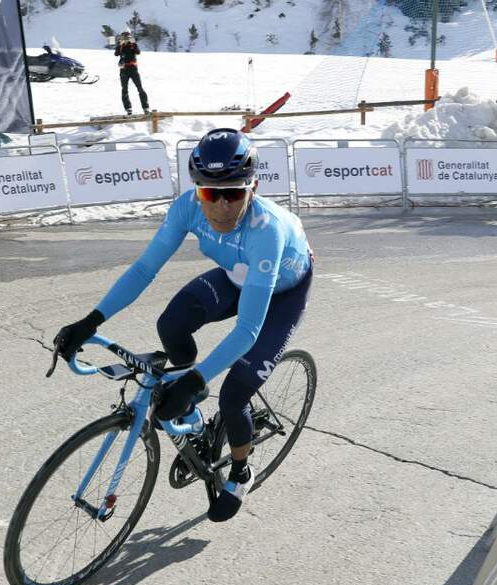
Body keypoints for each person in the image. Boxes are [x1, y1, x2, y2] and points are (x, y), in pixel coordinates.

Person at [54, 128, 313, 523]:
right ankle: (189, 399)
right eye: (211, 193)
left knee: (233, 395)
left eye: (235, 193)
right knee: (172, 325)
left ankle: (241, 471)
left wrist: (196, 383)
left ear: (254, 188)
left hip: (281, 293)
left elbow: (247, 330)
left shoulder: (268, 232)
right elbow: (144, 269)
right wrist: (91, 320)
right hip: (236, 273)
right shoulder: (186, 209)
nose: (223, 206)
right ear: (197, 190)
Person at [114, 29, 149, 116]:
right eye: (124, 35)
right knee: (124, 90)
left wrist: (133, 43)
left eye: (127, 35)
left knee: (140, 88)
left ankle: (146, 107)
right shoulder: (121, 44)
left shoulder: (132, 44)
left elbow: (138, 52)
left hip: (133, 68)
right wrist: (120, 44)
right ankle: (128, 108)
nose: (126, 37)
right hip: (123, 69)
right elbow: (116, 53)